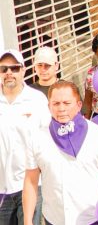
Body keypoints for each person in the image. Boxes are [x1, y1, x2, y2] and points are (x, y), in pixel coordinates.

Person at [22, 81, 98, 225]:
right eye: (56, 104)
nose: (61, 108)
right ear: (49, 107)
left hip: (92, 218)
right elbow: (31, 181)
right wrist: (27, 220)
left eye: (67, 103)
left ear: (79, 105)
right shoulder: (37, 138)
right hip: (55, 219)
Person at [0, 49, 49, 225]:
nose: (9, 73)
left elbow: (47, 140)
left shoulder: (37, 100)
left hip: (31, 185)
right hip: (2, 189)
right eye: (4, 69)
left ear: (23, 70)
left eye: (14, 68)